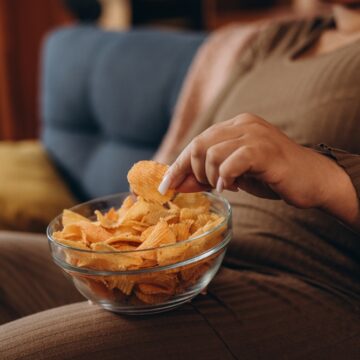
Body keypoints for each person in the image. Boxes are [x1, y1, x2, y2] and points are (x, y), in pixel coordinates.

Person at [0, 0, 359, 359]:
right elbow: (191, 151)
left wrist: (328, 178)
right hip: (190, 265)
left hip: (304, 285)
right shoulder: (276, 39)